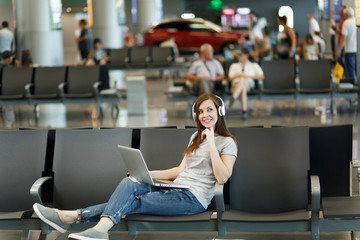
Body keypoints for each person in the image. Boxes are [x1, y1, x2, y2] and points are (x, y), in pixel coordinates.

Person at [33, 93, 238, 240]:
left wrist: (211, 142)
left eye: (209, 109)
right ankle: (87, 224)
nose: (205, 115)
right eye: (200, 111)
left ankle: (74, 218)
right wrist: (146, 173)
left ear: (220, 112)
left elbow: (222, 177)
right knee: (130, 182)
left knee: (132, 200)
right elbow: (179, 171)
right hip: (177, 188)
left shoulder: (228, 142)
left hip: (193, 200)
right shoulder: (195, 137)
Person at [228, 48, 264, 120]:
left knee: (243, 80)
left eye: (240, 55)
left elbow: (262, 76)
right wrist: (239, 75)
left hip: (249, 84)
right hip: (236, 84)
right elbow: (230, 78)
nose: (238, 57)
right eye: (238, 55)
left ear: (246, 55)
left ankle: (234, 97)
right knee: (243, 86)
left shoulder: (254, 65)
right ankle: (244, 110)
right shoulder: (234, 65)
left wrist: (247, 76)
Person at [337, 7, 357, 83]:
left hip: (349, 49)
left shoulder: (346, 23)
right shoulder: (356, 20)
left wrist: (339, 49)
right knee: (354, 68)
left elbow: (343, 38)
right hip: (356, 49)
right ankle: (354, 83)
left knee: (349, 68)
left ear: (346, 14)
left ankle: (351, 85)